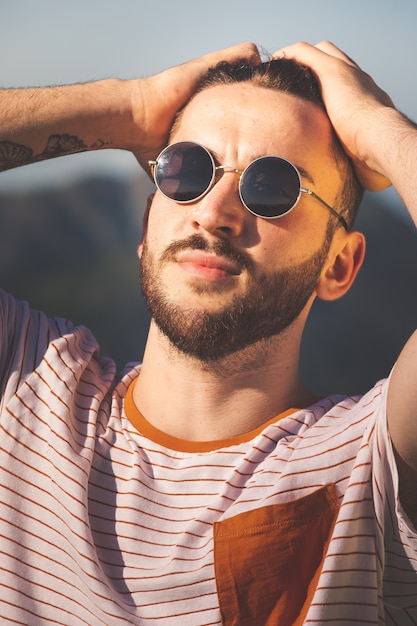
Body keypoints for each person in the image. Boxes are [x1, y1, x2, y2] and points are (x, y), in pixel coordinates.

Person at [0, 39, 416, 626]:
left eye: (272, 187)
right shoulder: (26, 383)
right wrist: (130, 108)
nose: (214, 211)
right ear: (148, 222)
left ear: (338, 264)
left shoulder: (373, 471)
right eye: (187, 170)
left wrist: (375, 125)